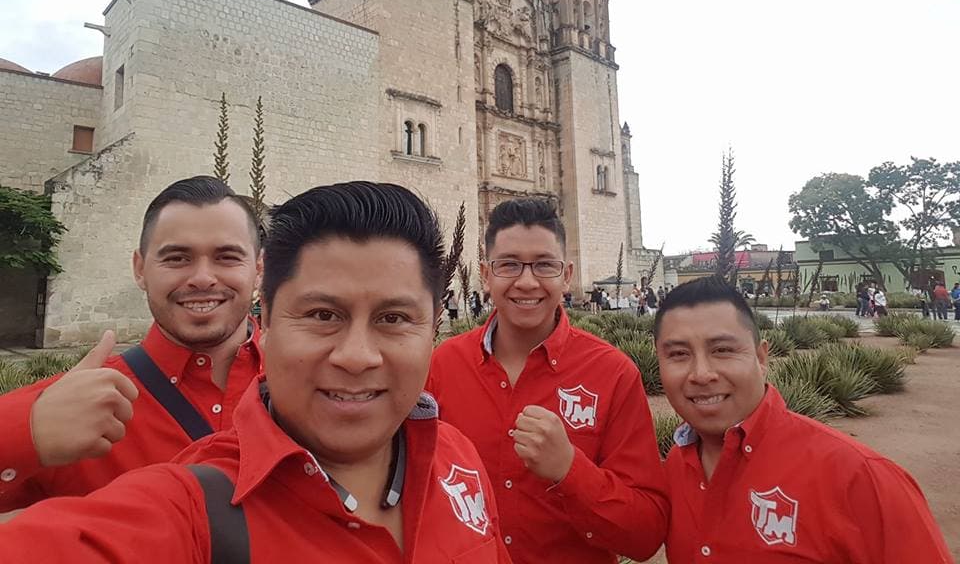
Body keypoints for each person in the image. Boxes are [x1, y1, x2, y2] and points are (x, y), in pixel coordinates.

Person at [0, 182, 511, 562]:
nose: (356, 358)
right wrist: (22, 432)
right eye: (322, 315)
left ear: (256, 274)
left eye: (393, 319)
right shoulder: (89, 422)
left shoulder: (452, 456)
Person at [0, 176, 263, 513]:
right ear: (140, 269)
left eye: (227, 257)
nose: (202, 278)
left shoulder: (307, 390)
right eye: (177, 258)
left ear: (258, 271)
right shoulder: (66, 409)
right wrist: (26, 432)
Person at [427, 198, 668, 564]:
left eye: (544, 265)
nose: (526, 281)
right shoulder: (443, 365)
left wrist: (570, 470)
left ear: (567, 275)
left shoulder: (612, 373)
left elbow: (645, 535)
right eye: (508, 265)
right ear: (485, 274)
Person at [654, 276, 951, 563]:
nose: (702, 374)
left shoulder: (859, 477)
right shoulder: (676, 469)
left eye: (722, 350)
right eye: (679, 354)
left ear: (761, 358)